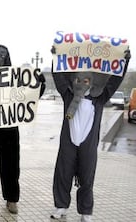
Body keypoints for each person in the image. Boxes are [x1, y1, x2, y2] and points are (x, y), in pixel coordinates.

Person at [50, 47, 131, 222]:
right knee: (63, 173)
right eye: (79, 79)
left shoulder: (99, 99)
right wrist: (56, 57)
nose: (82, 83)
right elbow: (59, 77)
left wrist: (124, 62)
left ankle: (86, 211)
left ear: (92, 82)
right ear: (74, 80)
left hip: (88, 144)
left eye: (86, 80)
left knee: (87, 176)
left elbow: (114, 81)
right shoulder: (68, 95)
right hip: (68, 142)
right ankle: (61, 206)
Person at [0, 45, 45, 215]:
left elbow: (29, 96)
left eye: (2, 54)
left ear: (7, 57)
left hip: (9, 129)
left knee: (11, 165)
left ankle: (11, 199)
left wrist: (40, 83)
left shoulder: (16, 78)